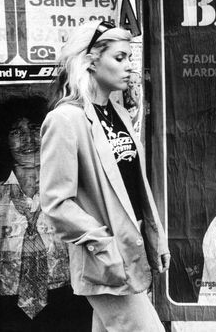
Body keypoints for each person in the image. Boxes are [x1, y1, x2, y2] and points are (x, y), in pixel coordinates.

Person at [40, 20, 170, 332]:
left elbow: (133, 186)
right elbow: (57, 203)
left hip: (130, 247)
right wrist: (104, 244)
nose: (129, 67)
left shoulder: (118, 113)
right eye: (119, 58)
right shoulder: (65, 120)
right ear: (91, 60)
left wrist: (156, 236)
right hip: (104, 259)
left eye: (129, 58)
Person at [0, 96, 92, 332]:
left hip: (69, 301)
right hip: (6, 306)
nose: (28, 139)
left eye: (35, 128)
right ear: (2, 138)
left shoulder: (72, 186)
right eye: (16, 131)